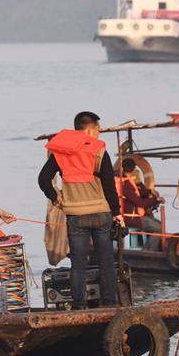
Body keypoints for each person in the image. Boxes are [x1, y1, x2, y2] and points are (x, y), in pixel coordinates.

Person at [38, 111, 124, 309]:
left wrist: (58, 199)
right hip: (101, 214)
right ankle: (110, 305)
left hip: (75, 215)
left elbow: (43, 180)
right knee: (106, 263)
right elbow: (110, 187)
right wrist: (118, 213)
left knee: (78, 265)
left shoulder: (61, 152)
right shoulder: (99, 151)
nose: (99, 134)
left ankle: (78, 307)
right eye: (99, 129)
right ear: (90, 129)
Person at [119, 158, 163, 252]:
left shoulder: (123, 181)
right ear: (134, 169)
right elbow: (140, 203)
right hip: (131, 219)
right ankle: (148, 252)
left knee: (156, 223)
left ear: (122, 168)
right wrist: (155, 200)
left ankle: (148, 248)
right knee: (159, 228)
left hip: (126, 216)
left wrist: (150, 192)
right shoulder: (126, 185)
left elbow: (138, 192)